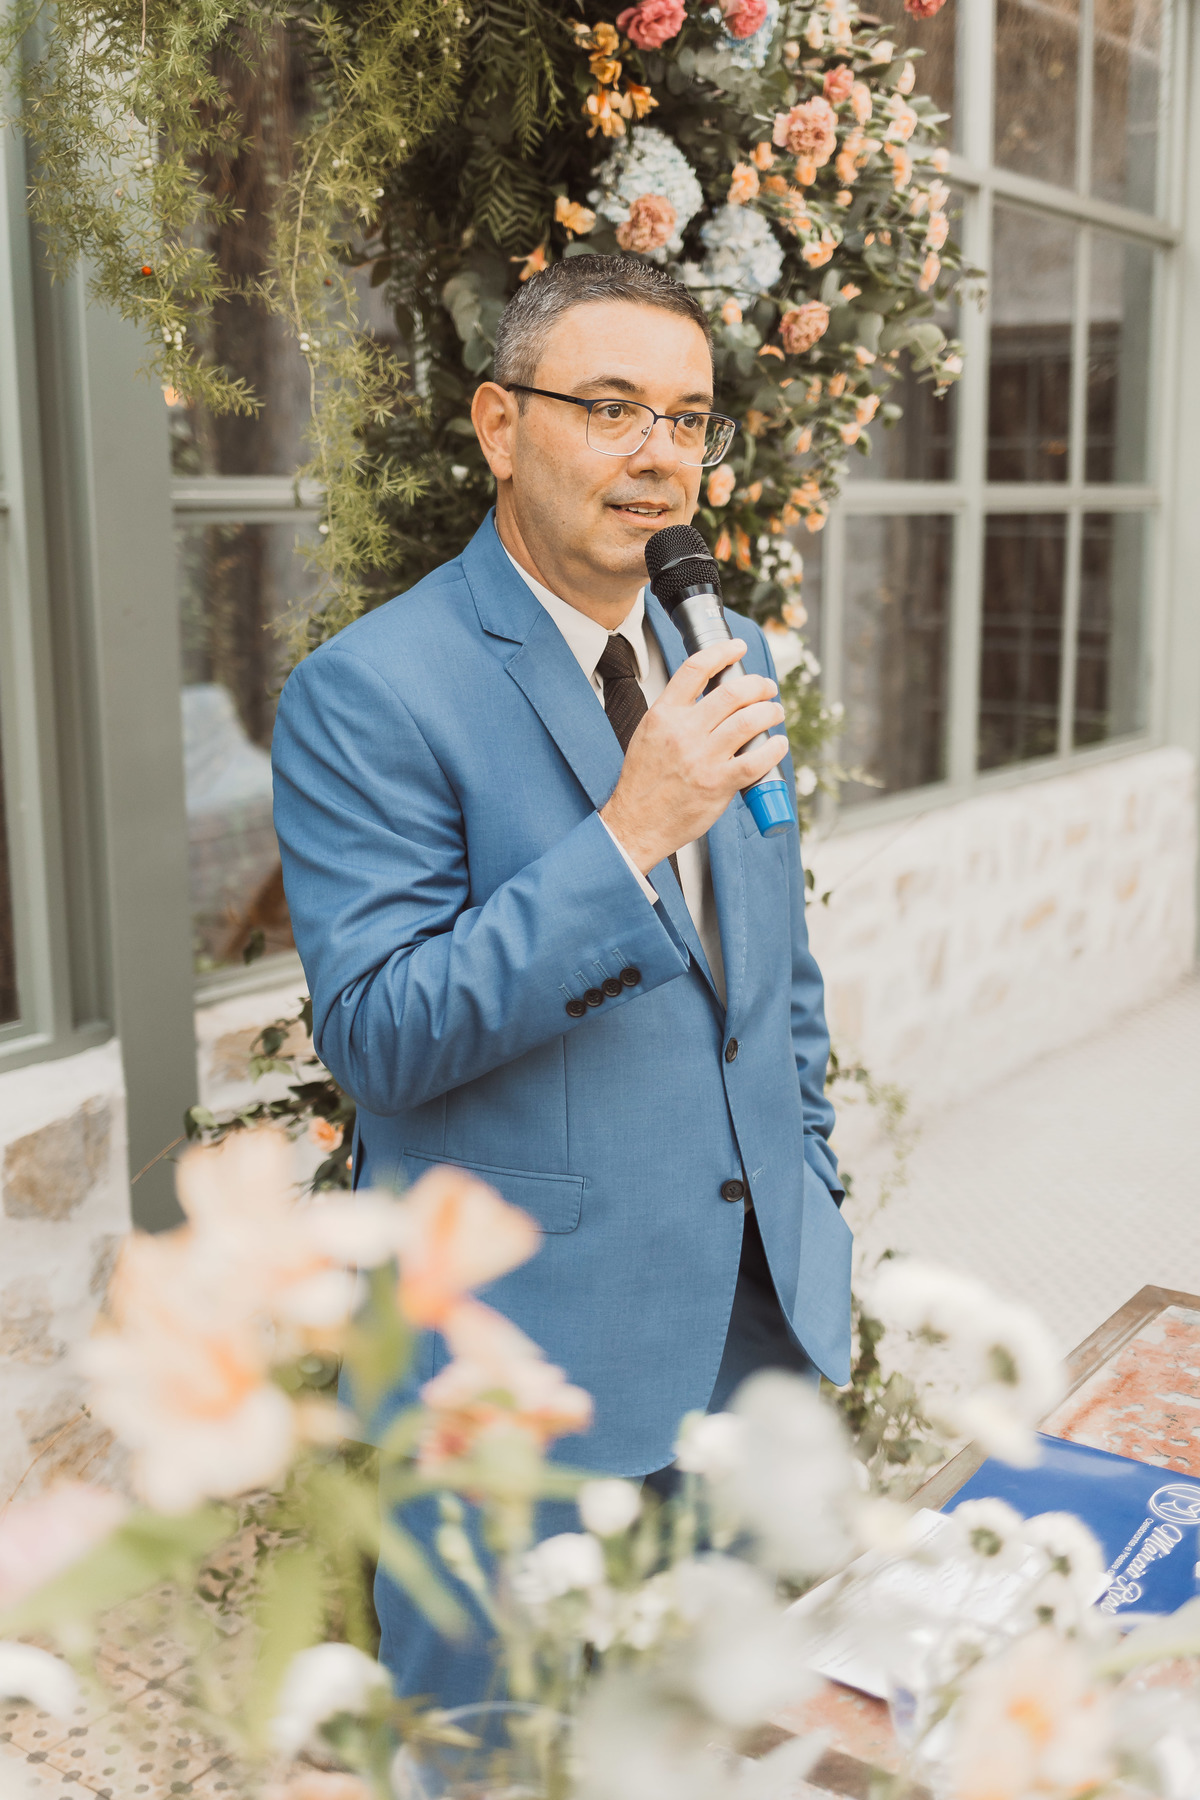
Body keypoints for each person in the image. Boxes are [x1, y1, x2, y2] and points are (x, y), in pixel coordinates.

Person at [272, 253, 852, 1701]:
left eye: (687, 417)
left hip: (752, 1325)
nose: (658, 454)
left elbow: (775, 973)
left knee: (700, 1732)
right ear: (499, 424)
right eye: (610, 407)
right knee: (494, 1755)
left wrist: (814, 1193)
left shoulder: (725, 647)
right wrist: (629, 834)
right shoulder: (370, 689)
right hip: (512, 1372)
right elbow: (380, 1036)